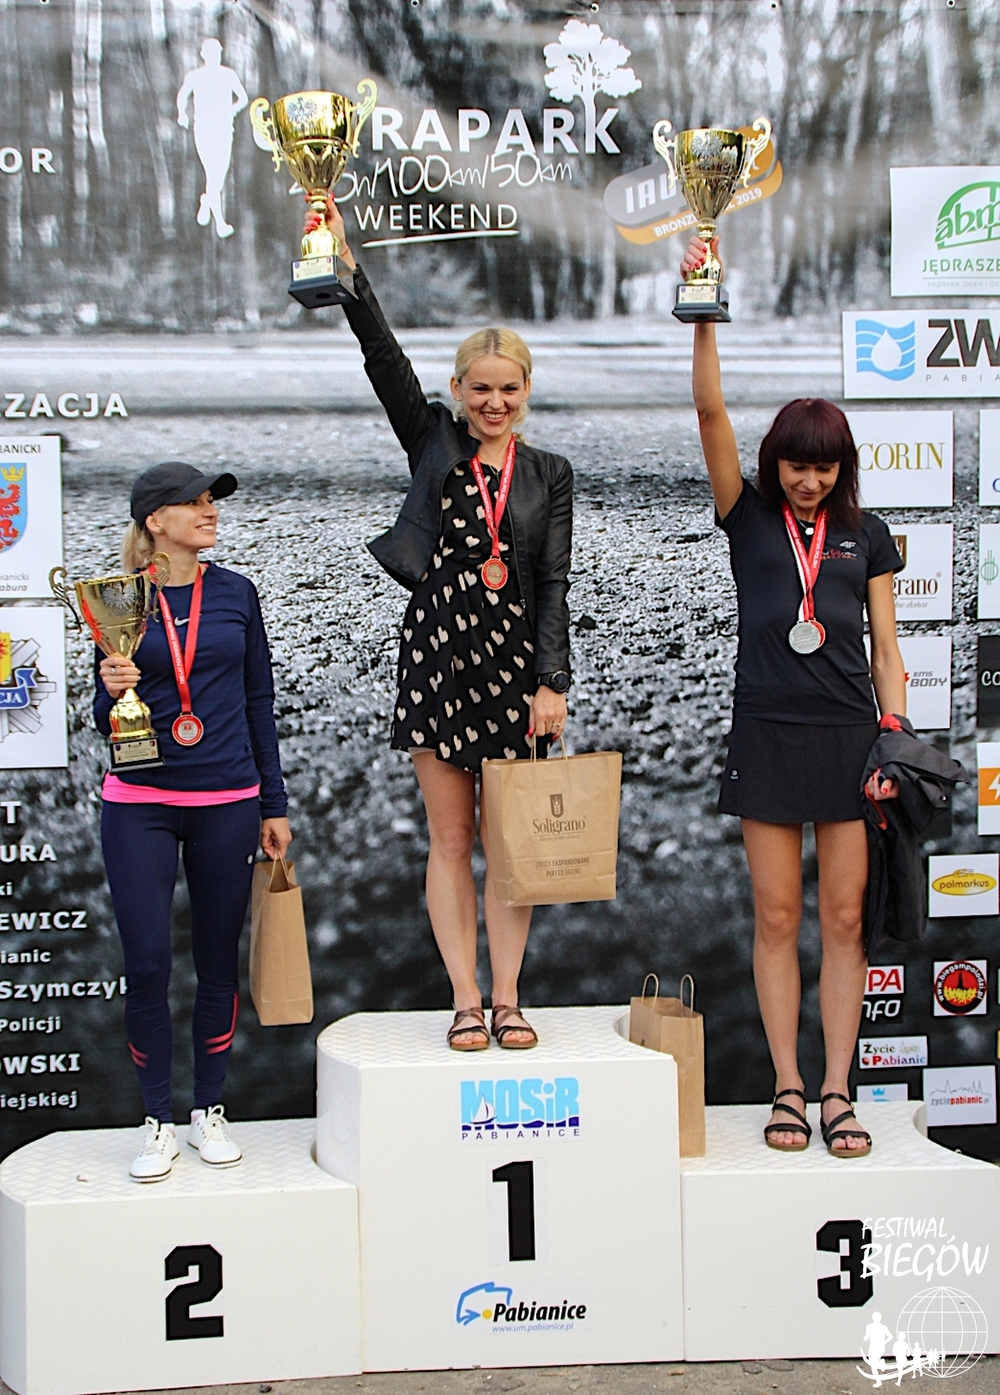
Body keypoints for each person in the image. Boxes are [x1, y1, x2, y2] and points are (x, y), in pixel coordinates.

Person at [305, 197, 573, 1052]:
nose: (494, 401)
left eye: (508, 389)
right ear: (458, 391)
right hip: (438, 652)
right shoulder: (430, 438)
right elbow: (383, 357)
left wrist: (552, 681)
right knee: (452, 836)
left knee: (511, 839)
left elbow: (553, 581)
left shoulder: (550, 473)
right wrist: (348, 271)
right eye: (480, 388)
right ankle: (464, 998)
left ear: (526, 393)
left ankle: (510, 996)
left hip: (515, 662)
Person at [684, 234, 906, 1157]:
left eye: (823, 466)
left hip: (851, 739)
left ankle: (837, 1090)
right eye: (794, 464)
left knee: (845, 920)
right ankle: (786, 1085)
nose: (808, 480)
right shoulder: (746, 518)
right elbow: (709, 411)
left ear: (842, 467)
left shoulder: (869, 534)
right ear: (775, 462)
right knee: (777, 915)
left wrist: (893, 736)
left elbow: (887, 648)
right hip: (768, 732)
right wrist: (703, 311)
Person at [95, 462, 292, 1181]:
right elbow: (104, 717)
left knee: (216, 961)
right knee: (148, 964)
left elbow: (258, 699)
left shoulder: (237, 593)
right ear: (155, 520)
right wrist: (112, 686)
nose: (211, 512)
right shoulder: (119, 598)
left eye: (213, 502)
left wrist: (274, 802)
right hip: (139, 802)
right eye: (196, 502)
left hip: (227, 801)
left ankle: (209, 1108)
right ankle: (156, 1120)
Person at [176, 39, 248, 239]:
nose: (213, 56)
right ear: (203, 54)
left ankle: (207, 201)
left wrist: (232, 110)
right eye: (209, 53)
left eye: (216, 52)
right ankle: (220, 223)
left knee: (220, 174)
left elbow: (243, 98)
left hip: (224, 128)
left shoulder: (228, 75)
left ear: (220, 54)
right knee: (212, 173)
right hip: (204, 128)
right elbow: (182, 95)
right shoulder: (196, 76)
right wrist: (182, 113)